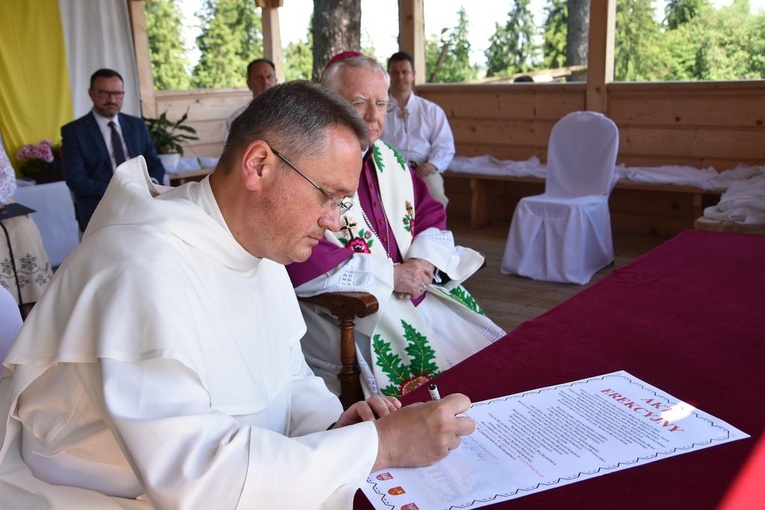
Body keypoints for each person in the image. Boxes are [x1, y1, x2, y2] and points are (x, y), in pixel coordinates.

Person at [0, 80, 475, 509]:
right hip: (105, 494)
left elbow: (292, 378)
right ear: (259, 165)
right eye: (327, 195)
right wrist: (382, 446)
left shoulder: (257, 244)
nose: (335, 221)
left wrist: (334, 429)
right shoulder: (138, 267)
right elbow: (196, 481)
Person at [287, 54, 505, 399]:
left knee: (489, 360)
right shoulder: (306, 164)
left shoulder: (391, 160)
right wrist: (389, 276)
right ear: (327, 106)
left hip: (415, 289)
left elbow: (430, 214)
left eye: (381, 104)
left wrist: (422, 262)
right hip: (354, 306)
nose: (373, 117)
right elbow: (298, 253)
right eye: (358, 103)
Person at [62, 68, 165, 232]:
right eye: (104, 93)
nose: (112, 99)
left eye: (118, 94)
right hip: (100, 208)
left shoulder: (136, 125)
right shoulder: (74, 131)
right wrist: (119, 190)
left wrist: (150, 186)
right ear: (91, 93)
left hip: (142, 203)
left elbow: (154, 163)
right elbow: (76, 179)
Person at [380, 51, 455, 207]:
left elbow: (445, 145)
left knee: (436, 196)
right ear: (388, 75)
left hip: (422, 166)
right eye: (395, 72)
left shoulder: (431, 110)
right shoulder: (378, 109)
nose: (400, 76)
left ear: (413, 74)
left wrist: (433, 164)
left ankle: (433, 231)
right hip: (386, 166)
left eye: (405, 72)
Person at [0, 143, 53, 318]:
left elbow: (7, 174)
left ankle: (31, 302)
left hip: (2, 202)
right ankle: (9, 310)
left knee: (23, 226)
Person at [224, 58, 278, 141]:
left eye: (269, 77)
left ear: (276, 81)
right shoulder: (237, 119)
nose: (265, 82)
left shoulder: (292, 113)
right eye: (259, 78)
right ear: (249, 84)